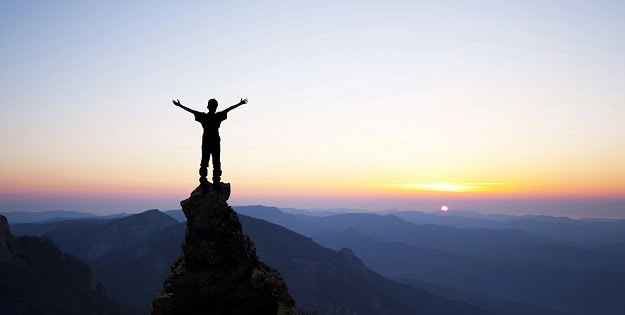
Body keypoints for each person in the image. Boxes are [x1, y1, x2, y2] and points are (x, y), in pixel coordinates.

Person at [173, 97, 248, 185]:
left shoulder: (206, 116)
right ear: (212, 107)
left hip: (210, 142)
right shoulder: (215, 116)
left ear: (208, 107)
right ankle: (211, 181)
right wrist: (240, 104)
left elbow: (191, 111)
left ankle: (208, 181)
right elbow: (229, 109)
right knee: (211, 162)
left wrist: (180, 105)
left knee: (209, 162)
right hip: (212, 142)